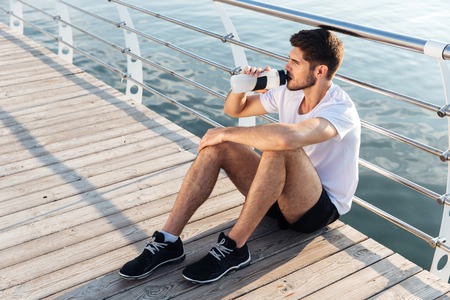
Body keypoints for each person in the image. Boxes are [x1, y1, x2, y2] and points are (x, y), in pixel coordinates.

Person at [118, 28, 361, 284]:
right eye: (289, 59)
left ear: (320, 71)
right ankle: (168, 240)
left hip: (315, 209)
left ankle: (234, 247)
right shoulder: (290, 90)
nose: (286, 66)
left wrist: (227, 133)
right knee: (218, 147)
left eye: (295, 62)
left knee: (279, 146)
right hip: (275, 196)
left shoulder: (340, 109)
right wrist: (243, 86)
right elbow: (236, 109)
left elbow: (286, 139)